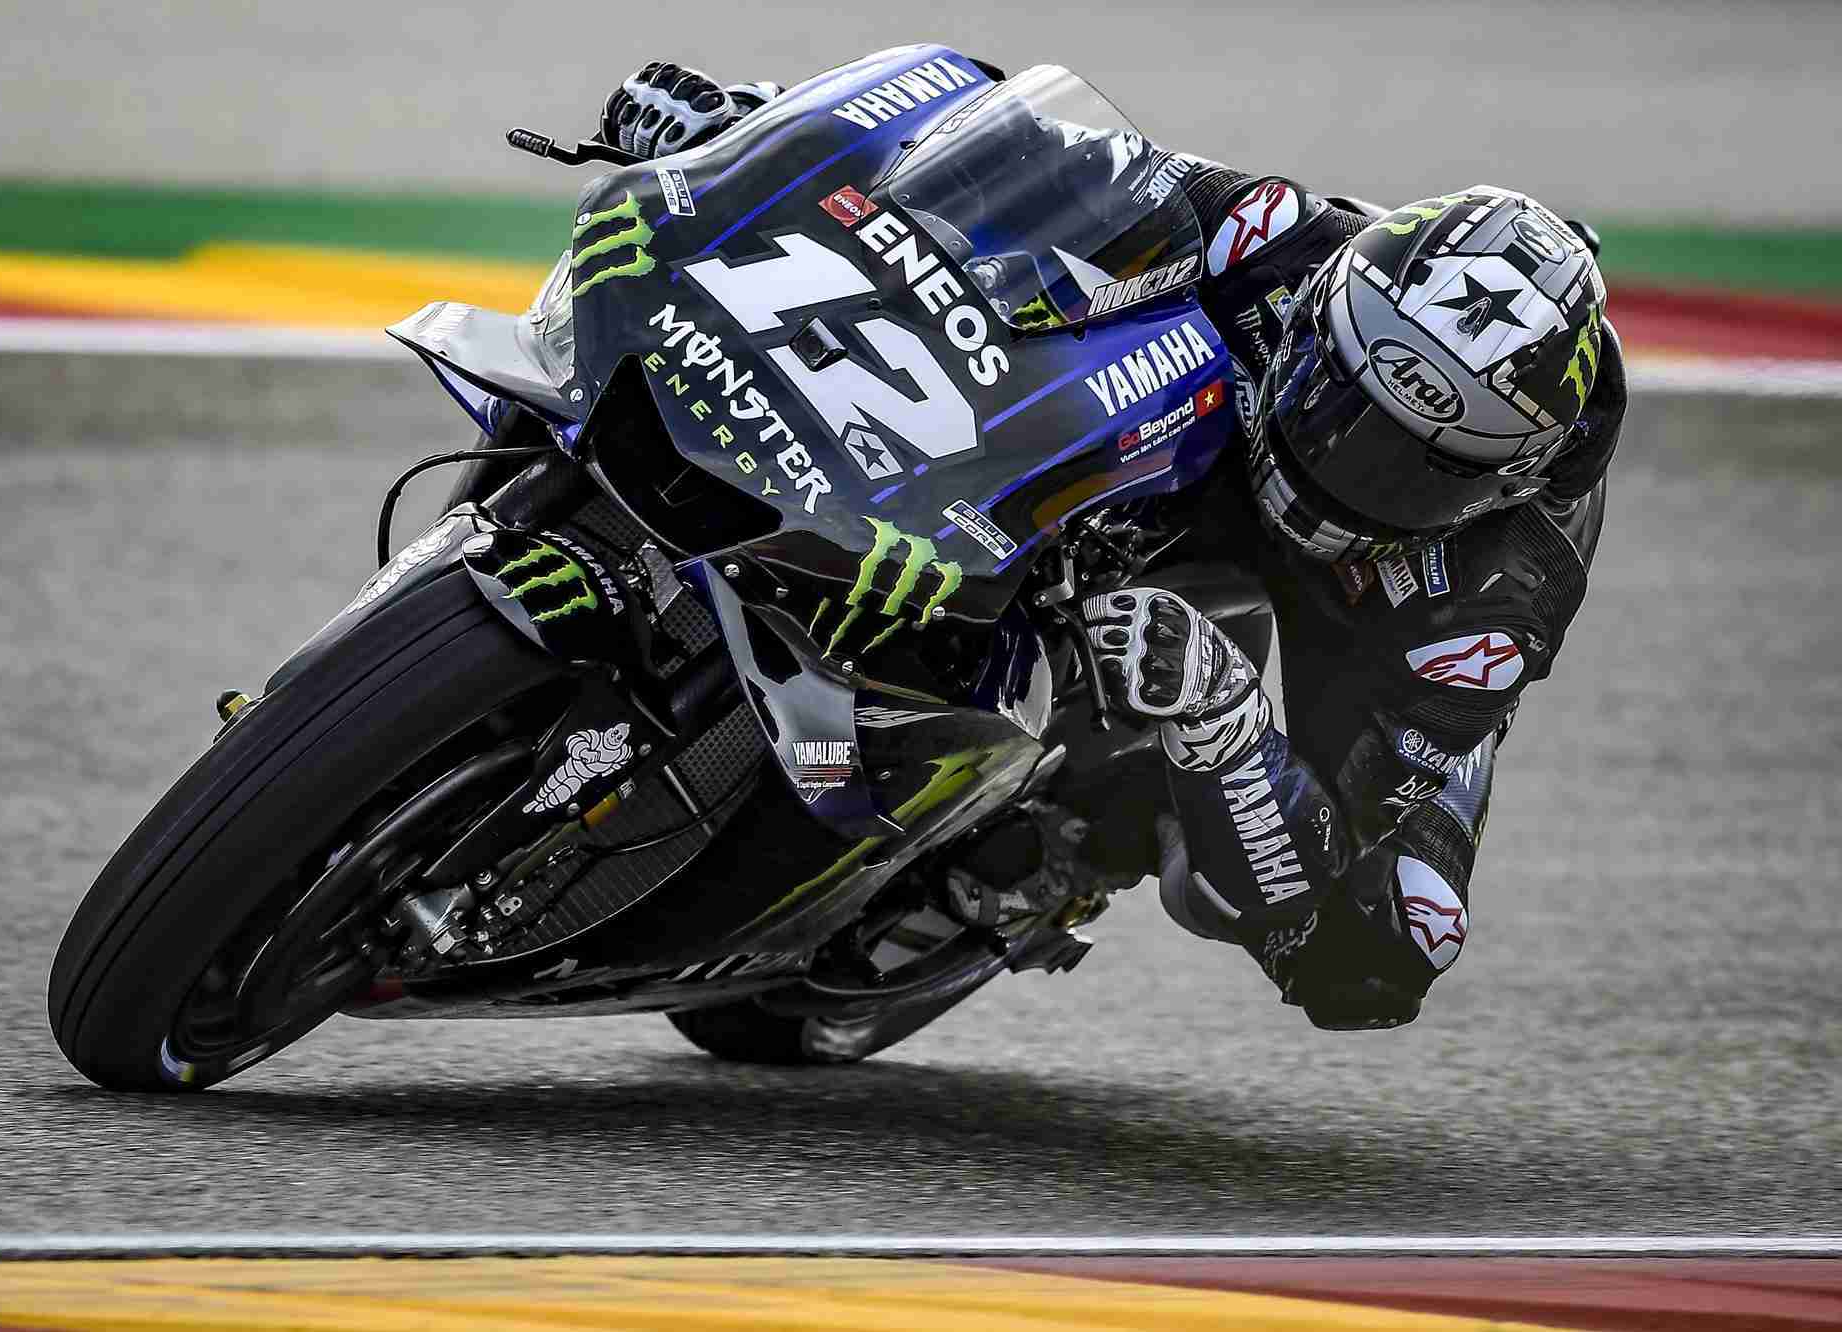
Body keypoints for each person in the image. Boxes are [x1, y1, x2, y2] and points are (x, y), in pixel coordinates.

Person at [595, 61, 1628, 1030]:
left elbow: (1338, 900)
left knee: (1382, 948)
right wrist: (752, 128)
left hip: (1361, 605)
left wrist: (1225, 722)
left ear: (1501, 485)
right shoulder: (1284, 241)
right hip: (1210, 444)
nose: (1339, 460)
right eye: (1334, 397)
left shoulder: (1497, 593)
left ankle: (1073, 842)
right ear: (1327, 309)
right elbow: (1007, 157)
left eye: (1406, 467)